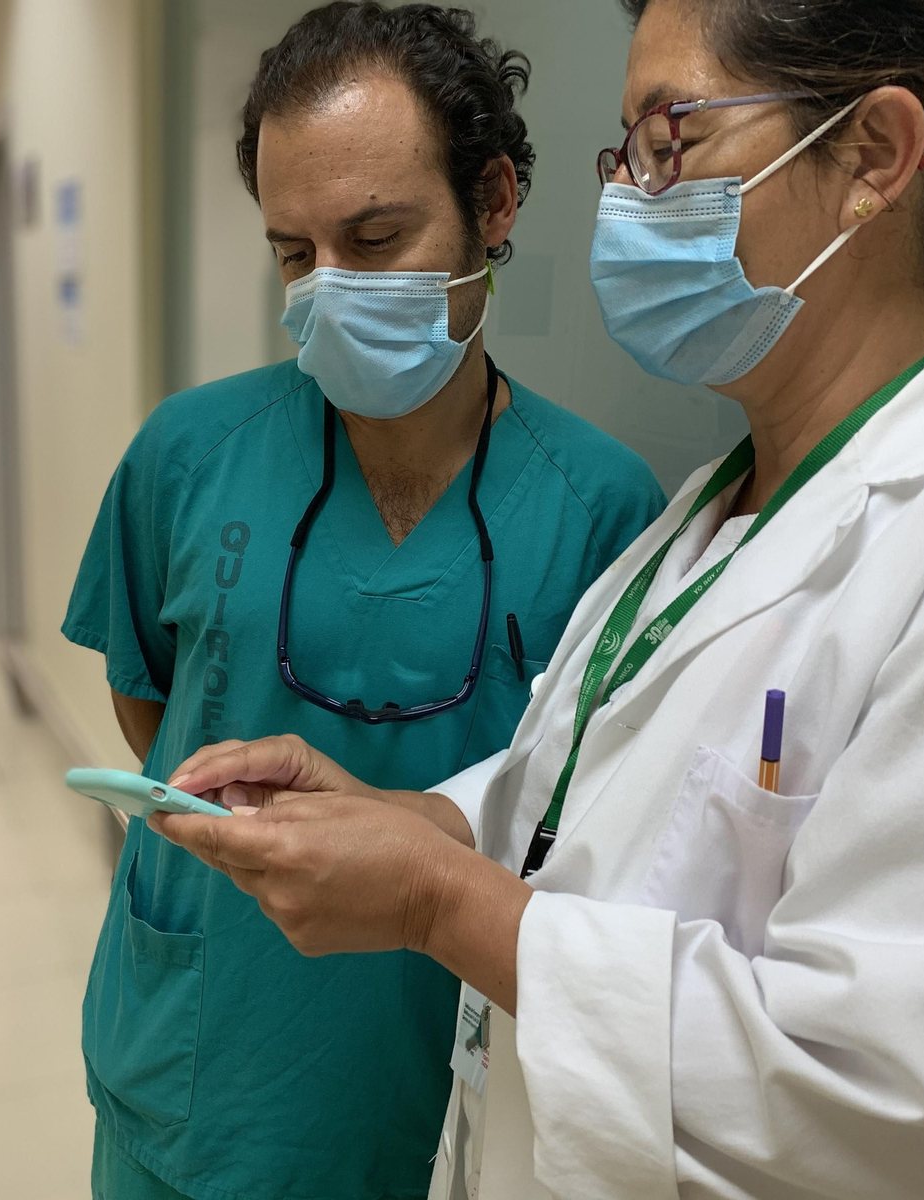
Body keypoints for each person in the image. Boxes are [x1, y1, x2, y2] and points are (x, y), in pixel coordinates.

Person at [154, 1, 924, 1197]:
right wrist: (420, 821)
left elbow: (911, 1108)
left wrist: (434, 899)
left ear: (872, 156)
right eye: (628, 149)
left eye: (671, 138)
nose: (626, 192)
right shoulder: (713, 511)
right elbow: (585, 807)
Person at [63, 5, 666, 1198]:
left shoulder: (603, 505)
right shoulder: (188, 454)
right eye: (294, 252)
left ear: (492, 204)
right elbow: (151, 707)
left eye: (376, 235)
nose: (329, 290)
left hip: (426, 1066)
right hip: (192, 1062)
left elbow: (592, 825)